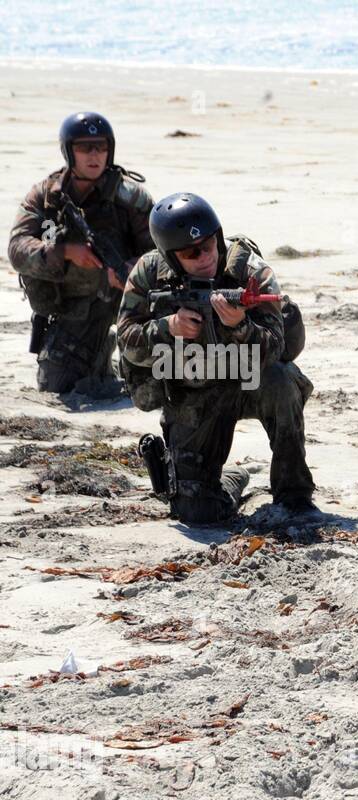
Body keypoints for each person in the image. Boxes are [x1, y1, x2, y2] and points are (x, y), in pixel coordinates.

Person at [117, 192, 316, 525]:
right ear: (171, 256)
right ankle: (232, 481)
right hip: (193, 393)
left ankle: (294, 493)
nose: (205, 256)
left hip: (249, 381)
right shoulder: (148, 273)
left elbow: (277, 346)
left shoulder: (249, 271)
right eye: (192, 253)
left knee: (282, 380)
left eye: (209, 245)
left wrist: (240, 326)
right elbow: (126, 340)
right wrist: (169, 327)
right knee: (196, 514)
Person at [8, 111, 152, 396]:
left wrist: (130, 273)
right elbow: (17, 249)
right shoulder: (46, 196)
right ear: (68, 151)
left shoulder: (131, 198)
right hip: (71, 307)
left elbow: (160, 255)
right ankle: (102, 348)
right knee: (57, 386)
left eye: (101, 147)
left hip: (128, 306)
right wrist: (64, 252)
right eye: (85, 147)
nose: (94, 155)